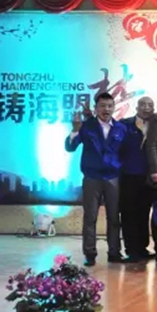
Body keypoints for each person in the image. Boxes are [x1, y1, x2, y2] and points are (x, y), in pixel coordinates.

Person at [65, 92, 127, 266]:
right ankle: (90, 254)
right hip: (92, 177)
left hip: (113, 177)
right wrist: (75, 130)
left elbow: (125, 152)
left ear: (114, 108)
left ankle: (114, 252)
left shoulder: (121, 128)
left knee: (114, 217)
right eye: (102, 106)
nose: (106, 109)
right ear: (96, 108)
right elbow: (70, 147)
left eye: (109, 106)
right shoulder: (86, 126)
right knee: (90, 217)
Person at [119, 96, 155, 262]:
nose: (146, 108)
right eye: (143, 105)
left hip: (148, 177)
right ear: (137, 107)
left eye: (150, 105)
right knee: (128, 213)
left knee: (144, 212)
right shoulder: (125, 125)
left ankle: (142, 247)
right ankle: (131, 249)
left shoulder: (156, 125)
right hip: (128, 175)